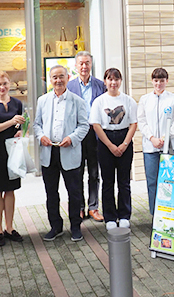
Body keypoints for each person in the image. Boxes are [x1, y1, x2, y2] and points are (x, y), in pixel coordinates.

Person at [34, 65, 89, 242]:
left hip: (69, 151)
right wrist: (41, 136)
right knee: (51, 192)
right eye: (54, 77)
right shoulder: (42, 100)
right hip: (49, 152)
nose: (58, 80)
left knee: (74, 192)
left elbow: (84, 125)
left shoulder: (77, 101)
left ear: (67, 78)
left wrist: (72, 138)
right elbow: (37, 124)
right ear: (50, 80)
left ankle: (75, 226)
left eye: (61, 77)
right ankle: (55, 226)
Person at [89, 68, 137, 231]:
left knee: (124, 182)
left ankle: (124, 215)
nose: (113, 82)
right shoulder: (99, 101)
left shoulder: (128, 100)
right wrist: (110, 145)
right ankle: (109, 216)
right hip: (105, 140)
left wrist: (124, 144)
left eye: (116, 79)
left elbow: (133, 123)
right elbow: (96, 125)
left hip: (124, 139)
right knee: (107, 181)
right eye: (110, 79)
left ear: (121, 81)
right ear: (105, 81)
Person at [0, 71, 26, 246]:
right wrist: (11, 122)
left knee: (10, 189)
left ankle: (9, 227)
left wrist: (22, 131)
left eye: (5, 84)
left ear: (10, 84)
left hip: (13, 150)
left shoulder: (17, 103)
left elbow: (23, 124)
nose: (2, 87)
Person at [137, 68, 174, 215]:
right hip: (150, 147)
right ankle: (154, 214)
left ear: (167, 81)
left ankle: (171, 213)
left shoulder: (173, 99)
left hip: (169, 147)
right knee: (152, 182)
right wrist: (152, 138)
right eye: (156, 80)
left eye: (162, 81)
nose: (159, 83)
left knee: (170, 181)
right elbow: (141, 121)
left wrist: (165, 138)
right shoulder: (145, 99)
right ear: (152, 81)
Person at [67, 51, 106, 222]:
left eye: (87, 63)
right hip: (77, 133)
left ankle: (93, 207)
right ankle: (79, 207)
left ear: (91, 65)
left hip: (95, 133)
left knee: (94, 172)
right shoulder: (69, 87)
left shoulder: (100, 85)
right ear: (76, 66)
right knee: (76, 173)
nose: (84, 66)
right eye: (81, 63)